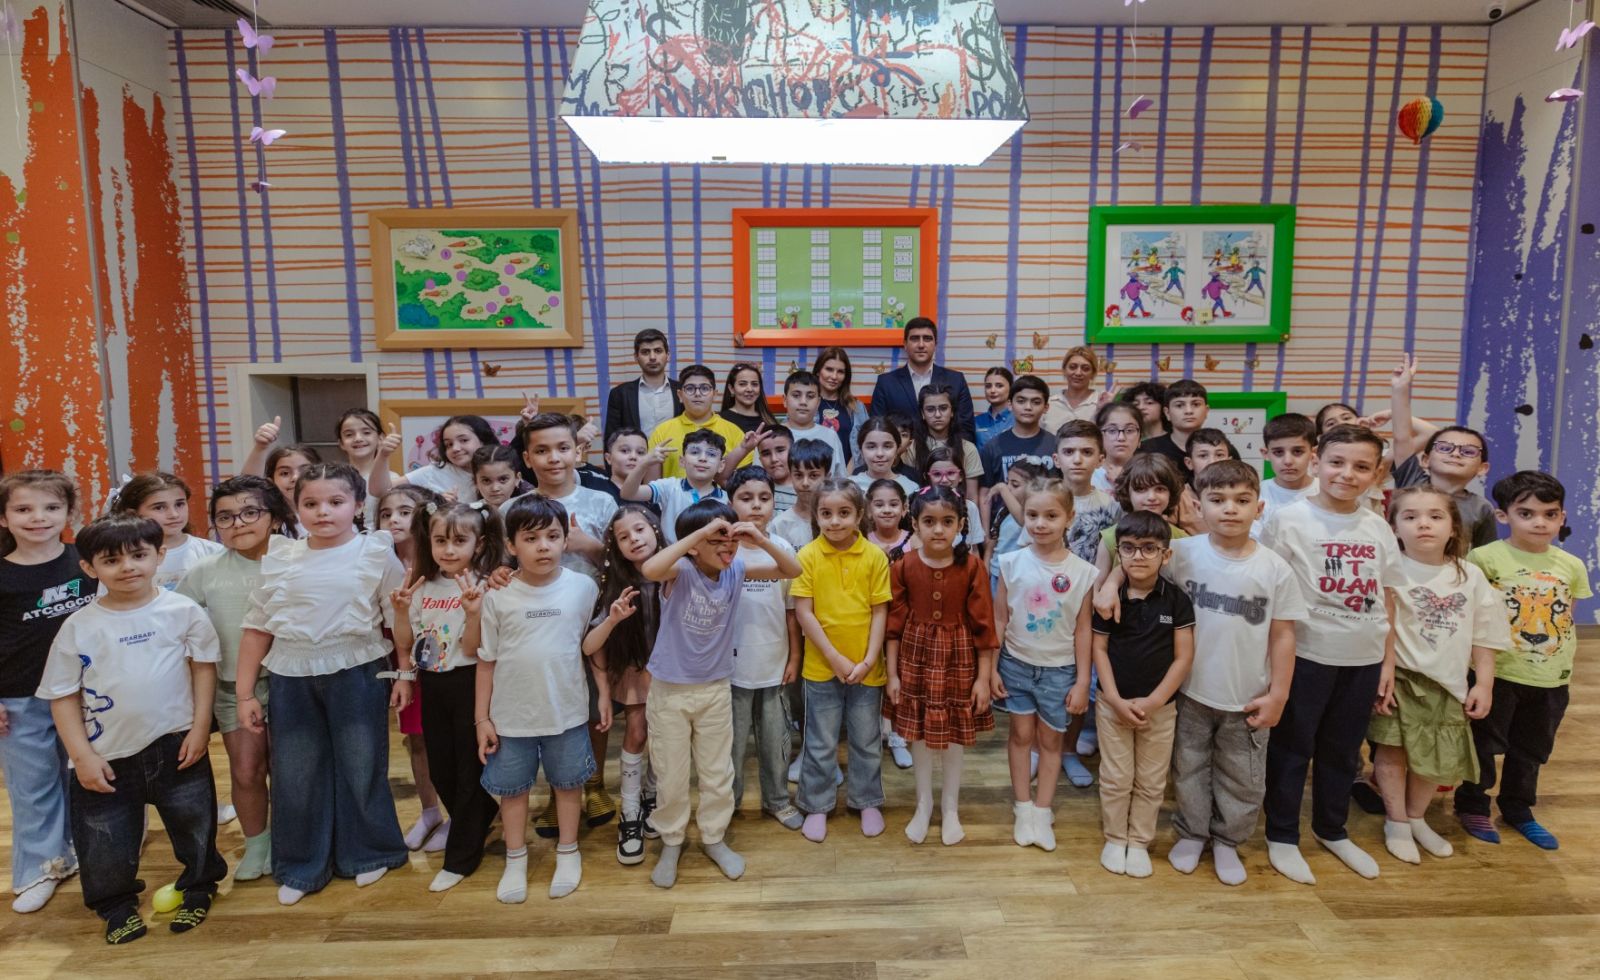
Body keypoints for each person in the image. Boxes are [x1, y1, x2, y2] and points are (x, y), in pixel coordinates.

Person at [1097, 459, 1306, 886]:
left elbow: (1284, 635)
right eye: (1217, 499)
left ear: (1259, 508)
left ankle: (1228, 841)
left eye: (1241, 500)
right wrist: (1110, 582)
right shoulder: (1184, 552)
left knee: (1243, 777)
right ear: (1198, 505)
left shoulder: (1275, 568)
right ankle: (1192, 833)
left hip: (1246, 694)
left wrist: (1279, 694)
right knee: (1189, 770)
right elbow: (1137, 561)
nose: (1229, 509)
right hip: (1188, 692)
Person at [39, 515, 226, 943]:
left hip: (177, 743)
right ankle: (116, 905)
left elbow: (203, 669)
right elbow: (61, 696)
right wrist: (82, 756)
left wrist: (200, 728)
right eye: (111, 560)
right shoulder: (78, 626)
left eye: (139, 555)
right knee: (103, 839)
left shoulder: (183, 611)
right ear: (88, 567)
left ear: (160, 555)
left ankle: (199, 885)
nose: (127, 567)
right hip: (105, 755)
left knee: (194, 824)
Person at [234, 463, 410, 906]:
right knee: (295, 772)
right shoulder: (282, 556)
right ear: (296, 507)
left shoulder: (375, 552)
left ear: (357, 505)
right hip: (291, 677)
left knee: (361, 764)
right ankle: (301, 863)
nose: (323, 512)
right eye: (310, 503)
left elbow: (398, 617)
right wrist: (244, 692)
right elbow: (257, 627)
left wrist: (405, 671)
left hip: (358, 671)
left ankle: (370, 851)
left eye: (336, 502)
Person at [1260, 425, 1402, 885]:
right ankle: (1282, 834)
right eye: (1337, 462)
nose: (1347, 474)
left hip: (1362, 659)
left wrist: (1387, 662)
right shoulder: (1287, 520)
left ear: (1376, 474)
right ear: (1317, 461)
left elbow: (1387, 596)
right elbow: (1270, 592)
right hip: (1306, 655)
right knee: (1292, 749)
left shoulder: (1378, 526)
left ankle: (1332, 829)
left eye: (1361, 467)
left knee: (1343, 751)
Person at [641, 499, 801, 887]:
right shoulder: (680, 570)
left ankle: (713, 837)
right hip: (670, 691)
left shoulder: (737, 569)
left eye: (730, 539)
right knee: (671, 775)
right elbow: (650, 569)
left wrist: (759, 539)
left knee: (717, 773)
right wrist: (699, 534)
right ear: (695, 545)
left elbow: (792, 569)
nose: (727, 547)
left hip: (715, 688)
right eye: (717, 541)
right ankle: (672, 840)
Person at [476, 494, 606, 901]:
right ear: (511, 545)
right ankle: (516, 858)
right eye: (531, 538)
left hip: (566, 710)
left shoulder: (583, 587)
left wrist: (603, 694)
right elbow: (486, 661)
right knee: (513, 790)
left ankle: (568, 851)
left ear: (566, 539)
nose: (543, 546)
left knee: (568, 785)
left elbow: (591, 646)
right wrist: (482, 718)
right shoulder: (496, 595)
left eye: (552, 536)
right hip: (510, 715)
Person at [1370, 486, 1505, 864]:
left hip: (1449, 683)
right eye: (1410, 517)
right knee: (1392, 751)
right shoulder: (1389, 570)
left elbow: (1485, 634)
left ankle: (1416, 818)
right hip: (1400, 679)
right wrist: (1383, 670)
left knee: (1437, 756)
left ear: (1453, 527)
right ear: (1394, 527)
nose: (1423, 524)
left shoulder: (1470, 575)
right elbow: (1380, 625)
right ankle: (1396, 821)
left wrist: (1484, 683)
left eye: (1435, 516)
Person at [1457, 471, 1592, 849]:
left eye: (1550, 514)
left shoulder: (1571, 565)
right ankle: (1472, 804)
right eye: (1527, 513)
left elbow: (1566, 617)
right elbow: (1472, 615)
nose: (1540, 522)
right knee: (1483, 744)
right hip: (1498, 673)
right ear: (1504, 516)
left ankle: (1518, 807)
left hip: (1551, 678)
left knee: (1531, 748)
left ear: (1562, 517)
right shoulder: (1484, 558)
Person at [177, 476, 294, 885]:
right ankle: (257, 843)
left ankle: (292, 841)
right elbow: (177, 624)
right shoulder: (204, 571)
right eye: (225, 517)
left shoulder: (298, 559)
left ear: (274, 518)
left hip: (292, 682)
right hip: (233, 688)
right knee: (246, 770)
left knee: (291, 770)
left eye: (249, 512)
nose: (238, 523)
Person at [391, 501, 505, 893]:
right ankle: (483, 815)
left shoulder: (486, 585)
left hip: (470, 682)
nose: (449, 549)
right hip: (433, 684)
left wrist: (473, 613)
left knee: (468, 771)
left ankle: (460, 857)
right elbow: (406, 643)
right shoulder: (421, 585)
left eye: (459, 541)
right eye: (441, 541)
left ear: (479, 543)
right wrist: (401, 611)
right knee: (441, 769)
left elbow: (473, 649)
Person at [885, 485, 998, 846]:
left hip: (959, 658)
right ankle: (924, 804)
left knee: (953, 737)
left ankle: (950, 807)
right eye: (929, 521)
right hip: (914, 659)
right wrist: (892, 674)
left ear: (961, 524)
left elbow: (985, 627)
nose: (938, 530)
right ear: (914, 524)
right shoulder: (902, 566)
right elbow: (893, 627)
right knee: (918, 734)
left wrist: (983, 679)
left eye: (947, 522)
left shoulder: (973, 566)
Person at [0, 471, 91, 914]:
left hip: (86, 694)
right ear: (4, 518)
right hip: (19, 698)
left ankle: (89, 849)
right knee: (33, 787)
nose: (38, 517)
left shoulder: (87, 562)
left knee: (89, 777)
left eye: (51, 507)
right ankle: (41, 868)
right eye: (23, 509)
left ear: (69, 512)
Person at [992, 478, 1094, 852]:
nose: (1040, 523)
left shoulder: (1083, 572)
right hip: (1015, 665)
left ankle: (1042, 808)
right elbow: (999, 618)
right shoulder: (1011, 563)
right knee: (1020, 737)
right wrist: (991, 668)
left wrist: (1082, 681)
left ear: (1069, 517)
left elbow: (1083, 629)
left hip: (1060, 671)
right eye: (1032, 515)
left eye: (1051, 516)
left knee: (1051, 742)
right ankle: (1023, 807)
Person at [1091, 511, 1194, 877]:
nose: (1138, 556)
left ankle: (1138, 842)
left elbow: (1183, 658)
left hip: (1160, 709)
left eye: (1149, 548)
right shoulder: (1109, 599)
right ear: (1118, 552)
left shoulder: (1177, 600)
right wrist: (1114, 699)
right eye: (1129, 548)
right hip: (1112, 705)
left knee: (1151, 780)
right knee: (1116, 777)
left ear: (1166, 555)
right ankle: (1115, 838)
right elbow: (1099, 649)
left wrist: (1154, 701)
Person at [792, 478, 893, 843]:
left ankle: (867, 801)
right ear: (816, 516)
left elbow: (880, 612)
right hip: (821, 668)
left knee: (866, 740)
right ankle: (817, 804)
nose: (835, 521)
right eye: (826, 513)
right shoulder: (806, 556)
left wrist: (868, 660)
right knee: (820, 742)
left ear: (860, 514)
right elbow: (804, 613)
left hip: (866, 669)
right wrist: (834, 658)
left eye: (844, 513)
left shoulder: (875, 556)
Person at [583, 504, 667, 866]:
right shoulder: (615, 585)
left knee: (665, 735)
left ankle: (651, 794)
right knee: (636, 732)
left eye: (640, 529)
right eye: (623, 536)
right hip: (635, 668)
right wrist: (613, 620)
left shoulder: (677, 572)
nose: (634, 539)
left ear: (656, 530)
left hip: (674, 672)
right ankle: (630, 811)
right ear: (615, 546)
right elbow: (590, 646)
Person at [725, 469, 805, 831]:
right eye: (746, 498)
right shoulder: (723, 549)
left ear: (774, 502)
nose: (756, 505)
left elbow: (790, 611)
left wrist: (795, 656)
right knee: (730, 744)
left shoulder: (783, 549)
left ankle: (777, 800)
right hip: (730, 668)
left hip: (774, 663)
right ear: (730, 503)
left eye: (764, 498)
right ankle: (728, 803)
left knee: (776, 740)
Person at [1388, 354, 1496, 548]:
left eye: (1468, 451)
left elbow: (1483, 556)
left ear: (1482, 468)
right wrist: (1400, 388)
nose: (1455, 454)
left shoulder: (1481, 508)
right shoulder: (1411, 482)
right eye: (1445, 448)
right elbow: (1402, 437)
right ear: (1426, 460)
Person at [110, 472, 225, 593]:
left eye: (179, 504)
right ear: (133, 513)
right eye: (159, 507)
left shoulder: (214, 552)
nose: (174, 514)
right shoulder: (122, 559)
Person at [869, 318, 977, 440]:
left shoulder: (956, 380)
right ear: (905, 344)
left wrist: (944, 451)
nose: (921, 345)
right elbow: (877, 428)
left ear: (935, 344)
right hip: (901, 451)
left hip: (946, 451)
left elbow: (966, 430)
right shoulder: (886, 383)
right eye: (915, 339)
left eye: (927, 339)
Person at [620, 429, 729, 543]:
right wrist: (644, 463)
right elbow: (628, 493)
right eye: (694, 452)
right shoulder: (669, 487)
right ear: (682, 461)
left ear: (721, 466)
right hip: (671, 553)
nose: (702, 458)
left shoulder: (727, 500)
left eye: (711, 454)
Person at [646, 364, 751, 480]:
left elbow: (743, 483)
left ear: (715, 394)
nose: (697, 393)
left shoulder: (734, 432)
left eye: (704, 388)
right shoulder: (662, 432)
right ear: (680, 395)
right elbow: (651, 485)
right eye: (690, 388)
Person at [1093, 453, 1189, 578]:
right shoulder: (1110, 538)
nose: (1151, 497)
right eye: (1141, 489)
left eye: (1160, 489)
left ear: (1171, 493)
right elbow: (1098, 586)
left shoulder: (1183, 539)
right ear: (1127, 492)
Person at [979, 373, 1058, 518]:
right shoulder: (992, 447)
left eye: (1036, 402)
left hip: (1047, 524)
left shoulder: (1056, 445)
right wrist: (985, 531)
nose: (1028, 407)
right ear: (1010, 404)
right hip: (1003, 526)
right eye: (1021, 401)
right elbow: (985, 492)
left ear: (1046, 407)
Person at [906, 384, 983, 502]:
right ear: (922, 414)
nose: (937, 415)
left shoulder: (968, 448)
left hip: (959, 511)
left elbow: (971, 496)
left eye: (943, 408)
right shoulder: (911, 448)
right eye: (930, 409)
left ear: (952, 412)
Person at [605, 328, 681, 438]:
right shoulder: (620, 394)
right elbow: (611, 439)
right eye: (645, 352)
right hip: (636, 450)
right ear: (636, 357)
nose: (652, 357)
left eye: (658, 351)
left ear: (667, 355)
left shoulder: (682, 390)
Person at [399, 415, 495, 502]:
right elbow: (391, 488)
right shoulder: (434, 472)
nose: (455, 448)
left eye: (464, 440)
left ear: (483, 441)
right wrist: (438, 503)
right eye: (449, 444)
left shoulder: (499, 467)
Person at [1253, 413, 1319, 539]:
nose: (1288, 461)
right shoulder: (1256, 494)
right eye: (1278, 452)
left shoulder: (1327, 491)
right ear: (1265, 454)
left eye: (1297, 451)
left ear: (1313, 453)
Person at [770, 440, 833, 552]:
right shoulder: (779, 524)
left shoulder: (836, 521)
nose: (805, 483)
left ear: (827, 478)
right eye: (798, 475)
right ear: (791, 476)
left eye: (813, 475)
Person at [782, 370, 847, 477]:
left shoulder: (830, 436)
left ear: (818, 402)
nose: (803, 402)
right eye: (796, 395)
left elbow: (840, 480)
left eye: (810, 396)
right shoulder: (772, 435)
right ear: (785, 400)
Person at [814, 347, 869, 469]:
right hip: (814, 474)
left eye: (840, 372)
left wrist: (847, 475)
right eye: (829, 369)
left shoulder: (856, 407)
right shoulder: (807, 404)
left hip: (850, 475)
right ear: (818, 371)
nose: (834, 376)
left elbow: (866, 444)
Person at [1139, 380, 1209, 473]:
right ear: (1167, 413)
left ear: (1206, 411)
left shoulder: (1220, 448)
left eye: (1196, 404)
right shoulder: (1147, 450)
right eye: (1179, 405)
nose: (1188, 411)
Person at [1043, 346, 1112, 430]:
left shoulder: (1102, 403)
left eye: (1085, 368)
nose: (1078, 373)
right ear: (1064, 370)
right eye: (1072, 367)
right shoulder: (1049, 404)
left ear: (1093, 373)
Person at [851, 418, 919, 497]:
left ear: (897, 449)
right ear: (861, 450)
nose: (880, 453)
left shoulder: (911, 488)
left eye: (887, 446)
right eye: (871, 447)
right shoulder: (850, 487)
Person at [1092, 401, 1144, 494]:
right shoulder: (1087, 475)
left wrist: (1122, 483)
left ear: (1140, 438)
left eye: (1129, 430)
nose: (1121, 438)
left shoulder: (1151, 475)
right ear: (1099, 437)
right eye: (1112, 430)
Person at [719, 362, 779, 435]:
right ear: (731, 389)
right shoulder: (721, 420)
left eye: (754, 384)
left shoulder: (770, 421)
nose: (749, 389)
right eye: (742, 384)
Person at [471, 444, 533, 511]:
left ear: (517, 478)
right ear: (475, 482)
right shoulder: (469, 513)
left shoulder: (531, 510)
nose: (495, 488)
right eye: (486, 480)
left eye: (503, 479)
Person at [865, 479, 916, 558]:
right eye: (879, 505)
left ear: (904, 509)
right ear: (869, 510)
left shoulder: (914, 541)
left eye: (893, 504)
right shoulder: (864, 541)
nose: (887, 510)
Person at [757, 425, 797, 514]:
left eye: (780, 450)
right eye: (766, 454)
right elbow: (725, 478)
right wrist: (745, 448)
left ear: (794, 451)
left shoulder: (807, 487)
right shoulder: (756, 488)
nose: (774, 459)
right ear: (760, 459)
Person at [975, 367, 1014, 450]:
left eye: (999, 386)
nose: (992, 390)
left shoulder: (1018, 420)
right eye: (988, 386)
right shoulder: (976, 422)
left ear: (1011, 388)